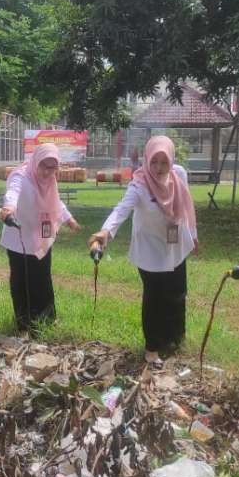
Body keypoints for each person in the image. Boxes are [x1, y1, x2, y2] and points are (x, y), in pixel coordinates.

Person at [89, 136, 198, 365]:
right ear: (147, 160)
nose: (159, 168)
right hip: (150, 249)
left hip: (175, 243)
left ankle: (175, 340)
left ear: (172, 161)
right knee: (155, 298)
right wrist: (105, 231)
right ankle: (152, 348)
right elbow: (121, 210)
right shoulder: (139, 184)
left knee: (177, 293)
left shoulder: (179, 175)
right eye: (154, 162)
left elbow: (187, 206)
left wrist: (194, 236)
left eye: (164, 162)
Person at [0, 143, 81, 334]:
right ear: (36, 162)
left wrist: (69, 219)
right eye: (44, 165)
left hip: (42, 235)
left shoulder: (50, 179)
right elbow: (13, 193)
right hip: (19, 236)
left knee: (42, 278)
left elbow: (56, 201)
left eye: (53, 167)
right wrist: (8, 208)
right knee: (21, 282)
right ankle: (24, 324)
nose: (48, 171)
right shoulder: (21, 176)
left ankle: (46, 320)